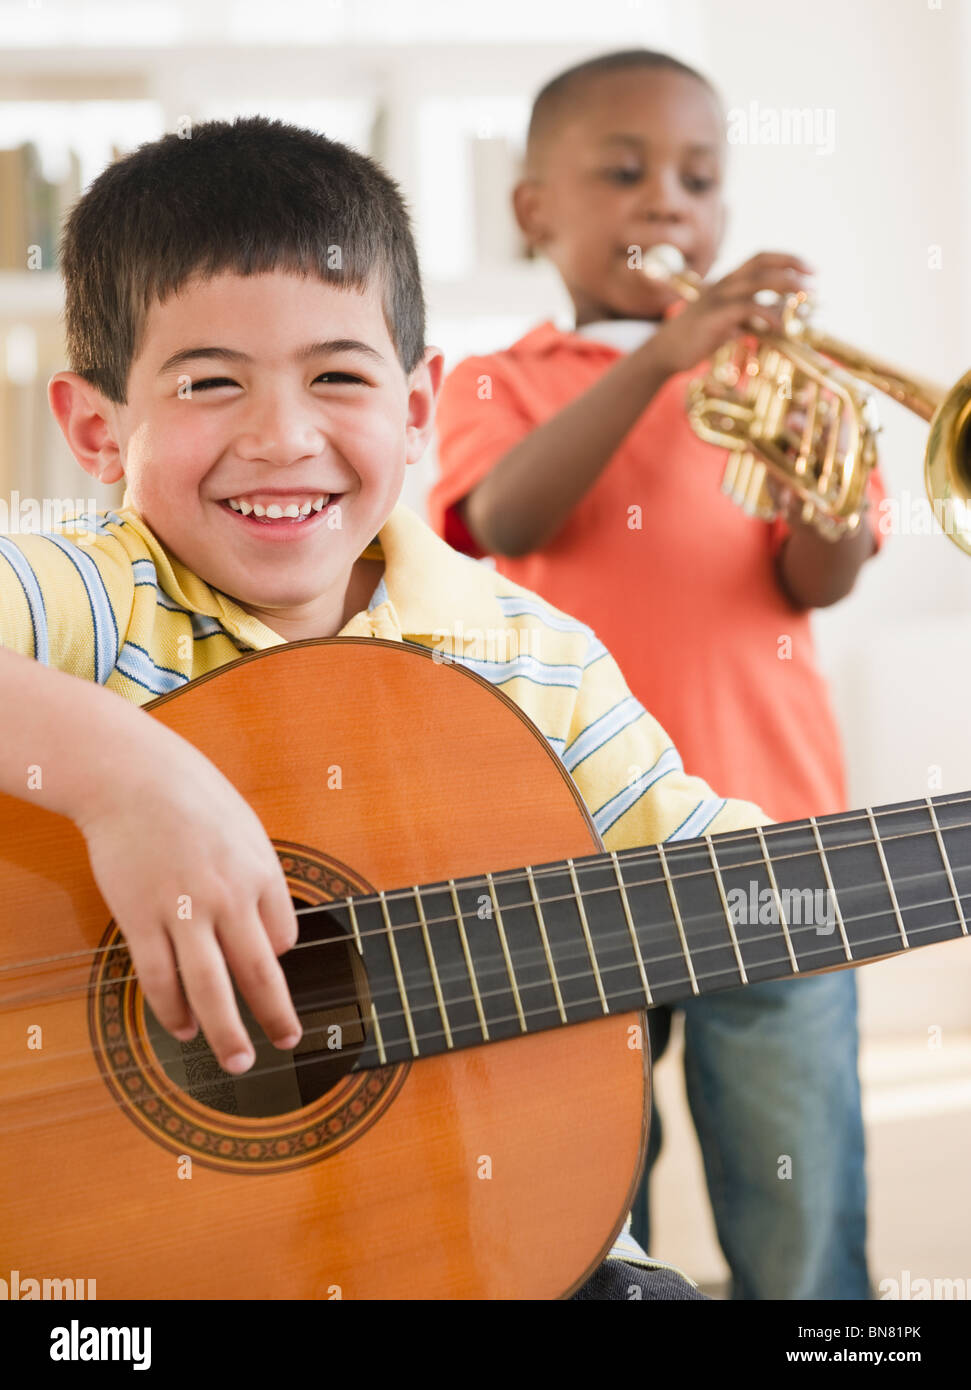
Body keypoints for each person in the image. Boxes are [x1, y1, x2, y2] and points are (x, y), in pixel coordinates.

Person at [0, 115, 783, 1300]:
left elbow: (712, 874)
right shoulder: (80, 597)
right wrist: (126, 778)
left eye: (337, 376)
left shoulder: (530, 656)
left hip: (475, 1248)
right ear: (97, 427)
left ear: (418, 408)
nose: (283, 436)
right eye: (210, 382)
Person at [429, 51, 883, 1299]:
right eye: (621, 172)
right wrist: (658, 353)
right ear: (533, 212)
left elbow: (819, 577)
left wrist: (816, 488)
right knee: (577, 1233)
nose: (665, 202)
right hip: (566, 853)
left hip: (773, 841)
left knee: (803, 1234)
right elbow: (504, 515)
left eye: (696, 178)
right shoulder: (494, 381)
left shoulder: (770, 380)